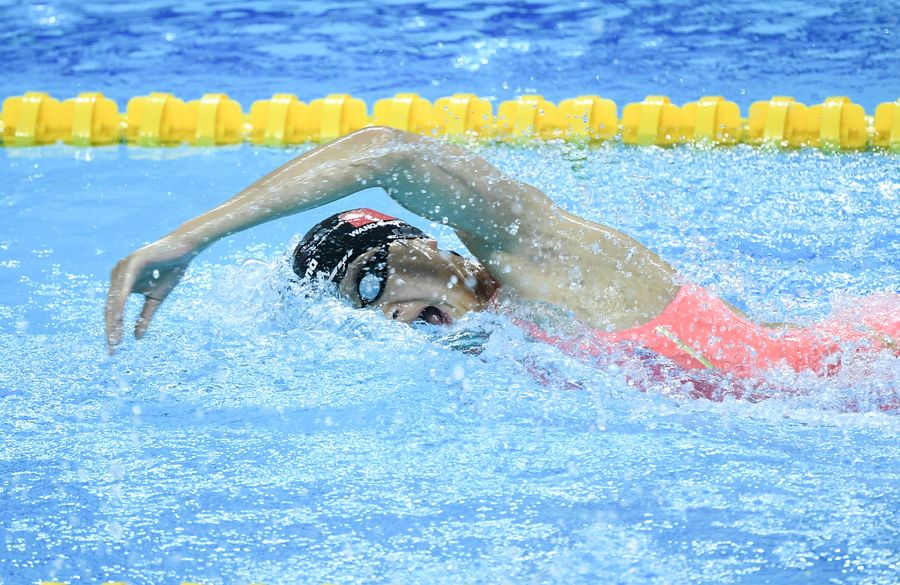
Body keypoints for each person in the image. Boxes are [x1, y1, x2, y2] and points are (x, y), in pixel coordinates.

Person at [105, 126, 898, 381]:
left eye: (372, 278)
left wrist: (194, 235)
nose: (382, 313)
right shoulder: (504, 347)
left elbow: (389, 152)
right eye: (357, 307)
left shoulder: (538, 255)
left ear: (420, 240)